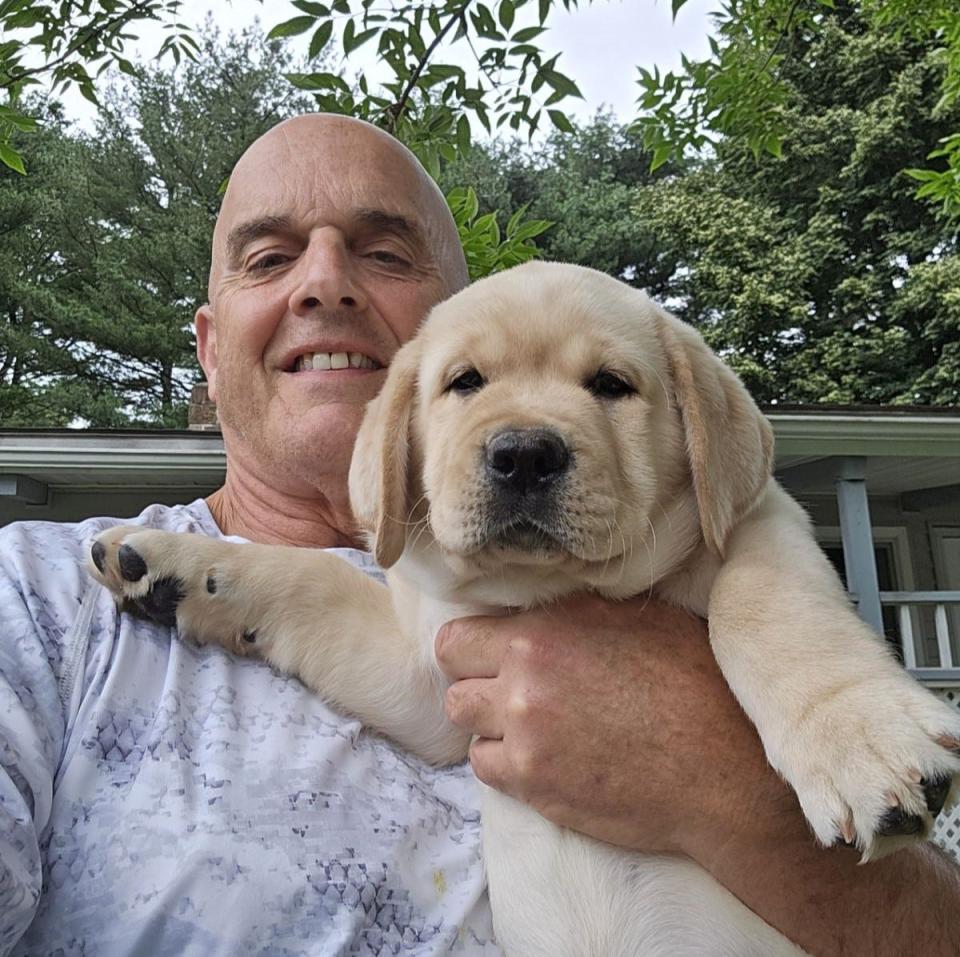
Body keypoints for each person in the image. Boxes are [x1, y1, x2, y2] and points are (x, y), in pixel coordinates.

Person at [0, 113, 958, 957]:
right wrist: (233, 581)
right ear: (206, 347)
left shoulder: (712, 551)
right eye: (269, 257)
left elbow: (756, 535)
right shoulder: (39, 601)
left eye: (383, 252)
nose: (324, 284)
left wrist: (781, 733)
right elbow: (419, 677)